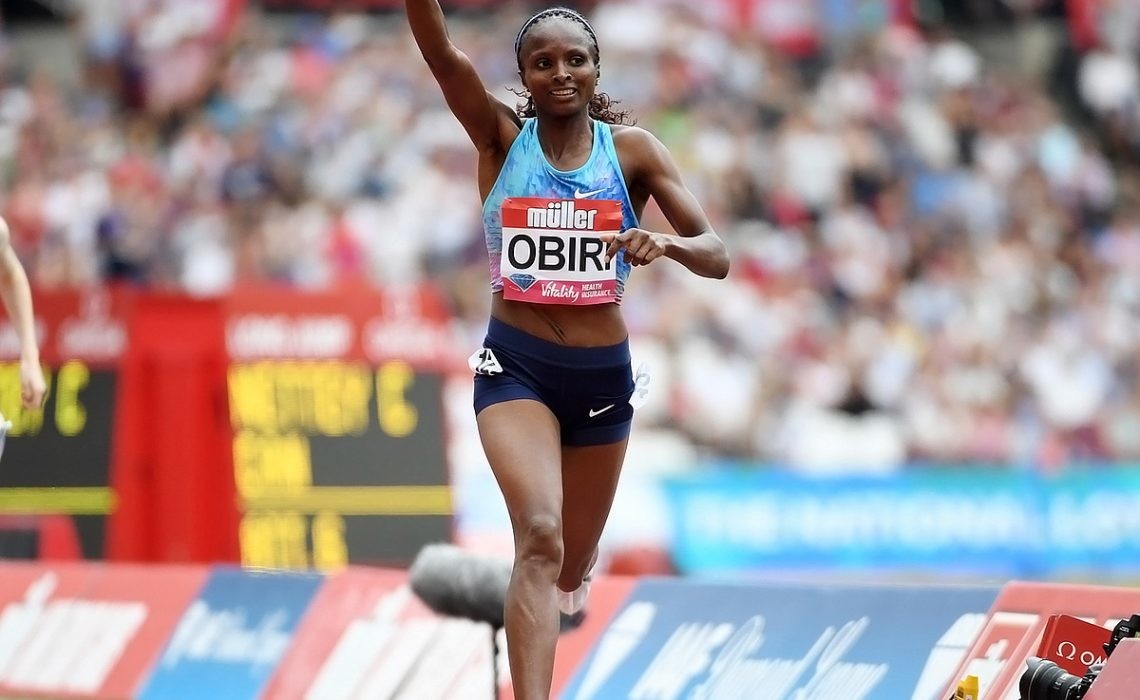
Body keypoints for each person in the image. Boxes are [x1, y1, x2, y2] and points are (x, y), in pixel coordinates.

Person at [403, 3, 729, 697]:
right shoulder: (499, 139)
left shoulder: (634, 152)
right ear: (523, 75)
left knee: (572, 564)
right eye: (543, 62)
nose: (560, 73)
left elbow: (716, 253)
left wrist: (664, 242)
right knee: (540, 538)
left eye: (574, 59)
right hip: (515, 368)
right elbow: (442, 55)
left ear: (595, 69)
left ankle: (574, 573)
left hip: (601, 379)